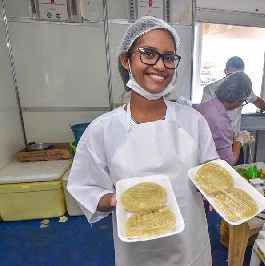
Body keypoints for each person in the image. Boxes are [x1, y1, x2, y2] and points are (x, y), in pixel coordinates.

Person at [67, 16, 219, 266]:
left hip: (190, 246)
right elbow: (86, 187)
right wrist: (115, 200)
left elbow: (210, 171)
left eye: (168, 57)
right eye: (148, 53)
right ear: (126, 60)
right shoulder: (104, 129)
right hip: (136, 250)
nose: (160, 65)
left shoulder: (193, 121)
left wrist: (216, 190)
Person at [201, 56, 265, 133]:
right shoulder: (210, 89)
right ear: (225, 71)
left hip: (234, 135)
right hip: (215, 137)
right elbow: (205, 114)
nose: (235, 80)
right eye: (231, 75)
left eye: (239, 76)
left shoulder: (243, 88)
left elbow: (257, 101)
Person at [195, 72, 254, 166]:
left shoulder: (204, 106)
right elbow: (229, 162)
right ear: (237, 100)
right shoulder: (220, 121)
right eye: (243, 101)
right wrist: (239, 141)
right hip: (210, 169)